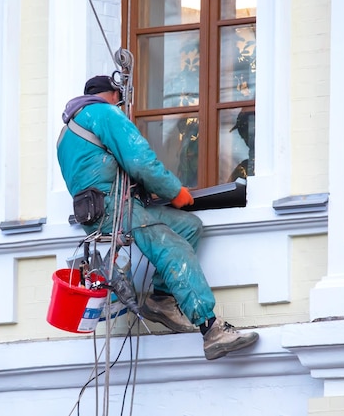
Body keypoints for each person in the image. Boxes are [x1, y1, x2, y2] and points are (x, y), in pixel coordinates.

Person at [57, 75, 258, 360]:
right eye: (120, 99)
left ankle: (161, 299)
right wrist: (174, 191)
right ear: (114, 95)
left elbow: (100, 169)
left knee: (188, 226)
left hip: (98, 210)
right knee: (172, 246)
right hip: (116, 208)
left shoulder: (65, 134)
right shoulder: (103, 112)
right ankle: (211, 329)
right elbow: (139, 160)